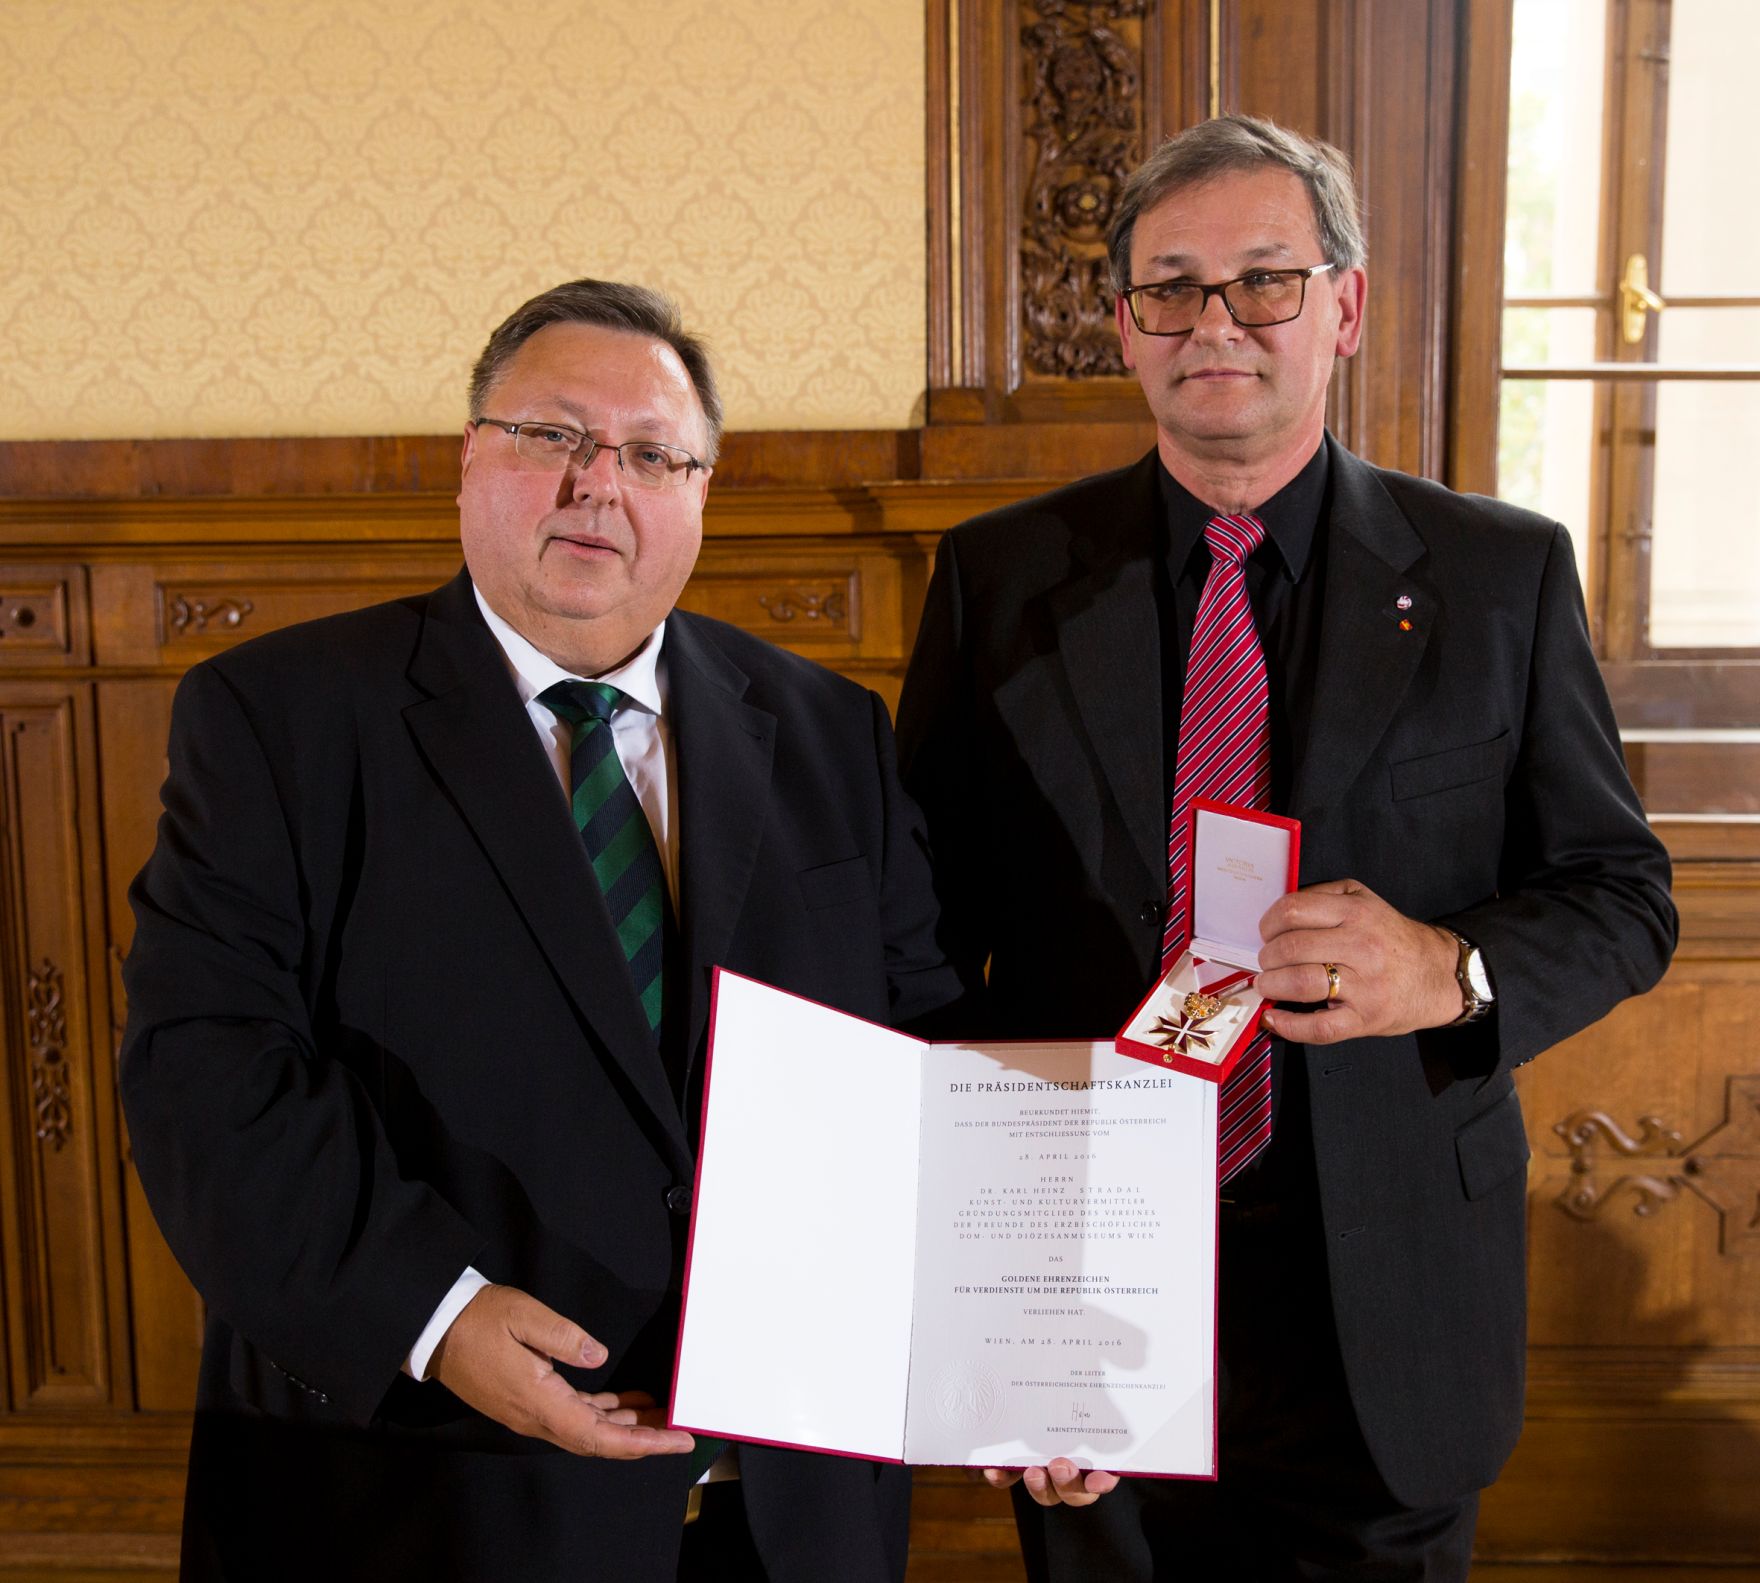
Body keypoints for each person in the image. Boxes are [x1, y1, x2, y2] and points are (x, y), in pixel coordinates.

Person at [895, 115, 1677, 1580]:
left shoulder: (1499, 576)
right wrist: (983, 1300)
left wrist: (1454, 967)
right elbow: (919, 938)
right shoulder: (998, 580)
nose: (1217, 325)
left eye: (1264, 281)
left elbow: (1622, 895)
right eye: (1170, 289)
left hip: (1384, 1292)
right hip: (1085, 1286)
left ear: (1346, 308)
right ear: (1123, 328)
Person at [120, 278, 978, 1582]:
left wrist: (1026, 1355)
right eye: (552, 437)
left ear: (699, 493)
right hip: (434, 1488)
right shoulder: (280, 720)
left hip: (792, 1505)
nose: (599, 484)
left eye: (649, 453)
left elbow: (922, 1054)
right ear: (471, 461)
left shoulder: (828, 731)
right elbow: (207, 1074)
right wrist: (435, 1317)